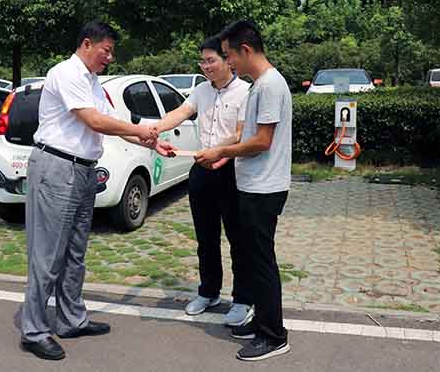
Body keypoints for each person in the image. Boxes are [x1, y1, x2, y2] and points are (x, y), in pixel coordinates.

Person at [20, 21, 173, 361]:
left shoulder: (92, 82)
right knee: (47, 255)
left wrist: (152, 143)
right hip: (57, 168)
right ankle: (34, 331)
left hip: (84, 170)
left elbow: (111, 124)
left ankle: (71, 319)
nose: (110, 58)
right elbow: (94, 121)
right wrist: (139, 129)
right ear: (87, 44)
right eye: (107, 50)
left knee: (75, 252)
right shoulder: (66, 73)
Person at [195, 20, 292, 362]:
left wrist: (221, 151)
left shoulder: (270, 86)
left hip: (264, 188)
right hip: (252, 185)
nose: (228, 62)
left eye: (229, 55)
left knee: (261, 262)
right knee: (252, 257)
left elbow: (262, 141)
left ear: (245, 50)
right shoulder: (260, 85)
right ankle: (261, 321)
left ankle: (274, 335)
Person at [154, 35, 253, 327]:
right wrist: (154, 130)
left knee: (238, 238)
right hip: (201, 171)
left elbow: (240, 133)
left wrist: (218, 152)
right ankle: (209, 292)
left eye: (211, 60)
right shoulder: (200, 90)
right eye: (202, 62)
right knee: (205, 238)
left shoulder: (245, 92)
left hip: (231, 170)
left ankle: (243, 299)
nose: (206, 66)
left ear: (227, 60)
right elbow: (181, 112)